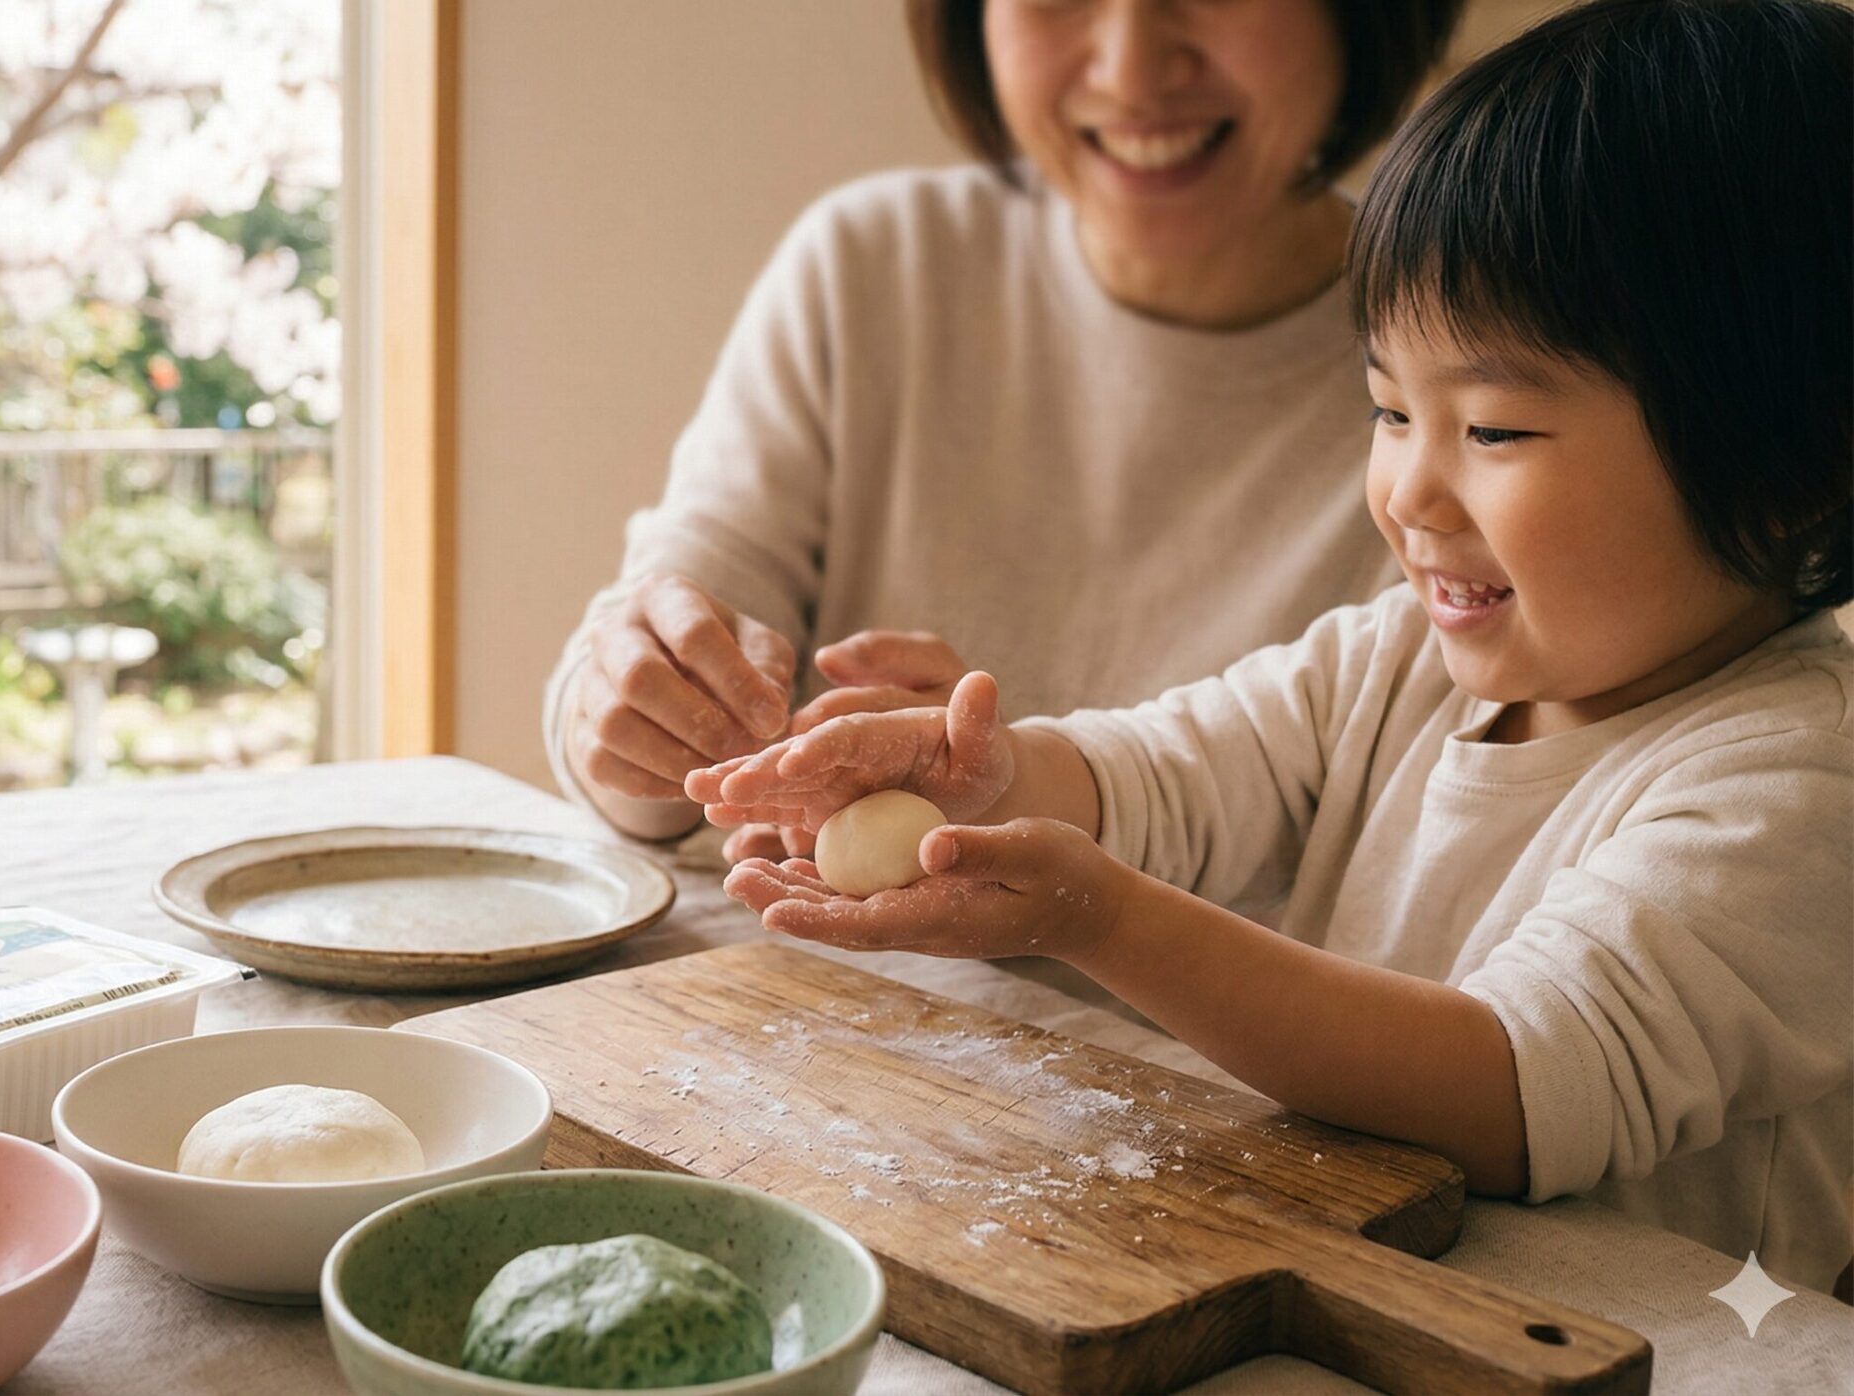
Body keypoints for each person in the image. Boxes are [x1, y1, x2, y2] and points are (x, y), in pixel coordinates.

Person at [696, 0, 1853, 1296]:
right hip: (1381, 1302)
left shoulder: (1799, 788)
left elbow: (1510, 1089)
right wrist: (992, 779)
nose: (1408, 493)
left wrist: (1099, 917)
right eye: (1389, 409)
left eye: (1494, 430)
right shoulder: (1401, 659)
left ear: (1789, 472)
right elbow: (1173, 772)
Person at [548, 0, 1464, 864]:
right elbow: (665, 648)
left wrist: (1012, 790)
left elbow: (1423, 892)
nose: (1131, 70)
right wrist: (646, 720)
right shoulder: (876, 265)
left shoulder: (1483, 393)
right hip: (783, 968)